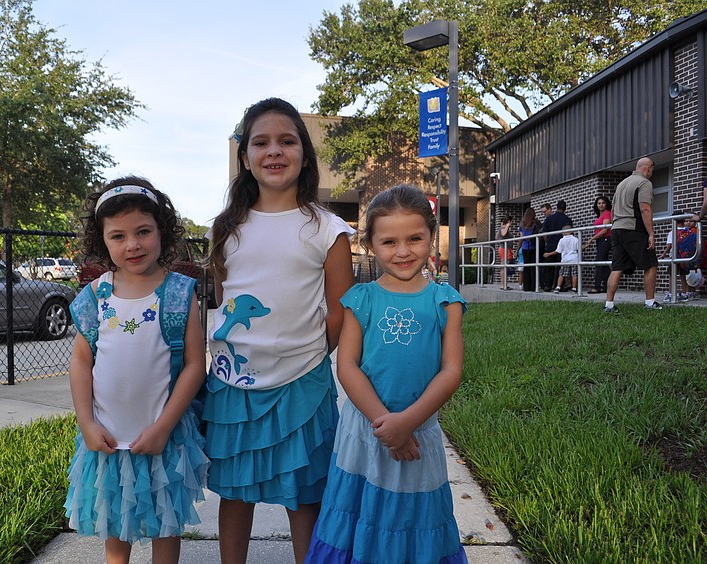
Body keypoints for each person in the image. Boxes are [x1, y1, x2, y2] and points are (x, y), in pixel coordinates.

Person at [205, 97, 355, 564]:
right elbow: (219, 298)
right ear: (245, 158)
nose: (274, 151)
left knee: (305, 494)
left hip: (303, 384)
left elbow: (341, 311)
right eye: (261, 142)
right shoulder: (226, 228)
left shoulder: (328, 229)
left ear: (305, 155)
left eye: (287, 141)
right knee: (236, 492)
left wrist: (305, 355)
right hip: (234, 383)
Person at [305, 184, 467, 564]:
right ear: (371, 245)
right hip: (365, 431)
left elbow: (451, 371)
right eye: (389, 242)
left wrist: (407, 423)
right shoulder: (361, 300)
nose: (403, 251)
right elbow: (347, 367)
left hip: (419, 432)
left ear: (431, 236)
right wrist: (386, 425)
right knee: (358, 512)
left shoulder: (445, 302)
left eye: (415, 238)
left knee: (413, 517)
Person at [63, 177, 209, 564]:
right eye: (118, 236)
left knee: (166, 523)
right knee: (115, 522)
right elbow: (81, 361)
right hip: (108, 438)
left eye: (143, 231)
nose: (133, 244)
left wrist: (162, 428)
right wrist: (86, 424)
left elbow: (195, 364)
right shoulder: (96, 296)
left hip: (165, 436)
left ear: (162, 230)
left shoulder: (179, 293)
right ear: (102, 241)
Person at [604, 157, 662, 312]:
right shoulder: (644, 183)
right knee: (651, 264)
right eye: (652, 169)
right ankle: (650, 303)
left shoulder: (621, 184)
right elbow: (645, 209)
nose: (651, 172)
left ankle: (608, 305)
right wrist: (651, 233)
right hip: (633, 228)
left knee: (617, 267)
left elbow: (613, 210)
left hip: (617, 229)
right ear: (648, 168)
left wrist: (615, 225)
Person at [660, 215, 699, 302]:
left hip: (674, 257)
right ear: (683, 221)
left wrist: (663, 254)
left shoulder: (672, 232)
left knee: (671, 275)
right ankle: (684, 294)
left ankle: (671, 294)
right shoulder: (689, 231)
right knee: (683, 276)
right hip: (685, 258)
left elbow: (669, 245)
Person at [582, 195, 612, 294]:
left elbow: (605, 230)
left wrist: (591, 239)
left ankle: (597, 286)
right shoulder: (599, 216)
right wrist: (591, 241)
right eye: (599, 203)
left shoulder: (607, 213)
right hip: (600, 240)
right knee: (604, 262)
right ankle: (607, 286)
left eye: (603, 203)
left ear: (606, 204)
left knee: (599, 262)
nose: (601, 205)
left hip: (606, 238)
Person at [540, 200, 573, 291]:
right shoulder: (567, 219)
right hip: (563, 246)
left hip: (551, 244)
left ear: (556, 207)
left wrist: (547, 242)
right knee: (560, 267)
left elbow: (544, 233)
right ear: (565, 208)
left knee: (549, 266)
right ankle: (559, 286)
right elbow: (570, 233)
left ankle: (547, 285)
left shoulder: (549, 218)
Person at [545, 226, 579, 293]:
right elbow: (579, 249)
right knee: (574, 274)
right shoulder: (576, 239)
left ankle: (558, 287)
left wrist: (549, 254)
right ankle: (574, 288)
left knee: (562, 274)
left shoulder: (562, 240)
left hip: (565, 259)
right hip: (574, 258)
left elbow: (558, 251)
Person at [518, 207, 541, 291]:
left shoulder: (522, 224)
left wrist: (517, 250)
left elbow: (521, 238)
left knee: (526, 268)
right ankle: (533, 286)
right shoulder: (535, 223)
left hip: (524, 247)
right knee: (534, 267)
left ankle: (526, 286)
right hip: (533, 247)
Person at [495, 215, 515, 290]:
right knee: (504, 266)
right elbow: (503, 234)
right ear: (509, 221)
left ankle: (504, 284)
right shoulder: (503, 228)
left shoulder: (501, 228)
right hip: (504, 249)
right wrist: (507, 226)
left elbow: (497, 237)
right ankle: (503, 285)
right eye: (511, 221)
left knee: (504, 266)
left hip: (506, 248)